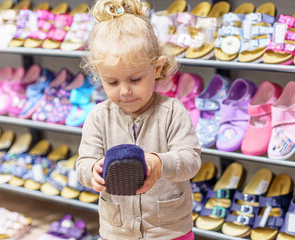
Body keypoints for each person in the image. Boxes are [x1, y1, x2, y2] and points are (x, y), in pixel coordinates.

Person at [76, 0, 201, 239]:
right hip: (117, 229)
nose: (124, 91)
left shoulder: (172, 111)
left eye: (135, 79)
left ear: (156, 68)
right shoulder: (98, 117)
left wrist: (160, 163)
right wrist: (92, 169)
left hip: (169, 229)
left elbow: (191, 161)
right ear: (98, 75)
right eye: (112, 82)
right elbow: (83, 163)